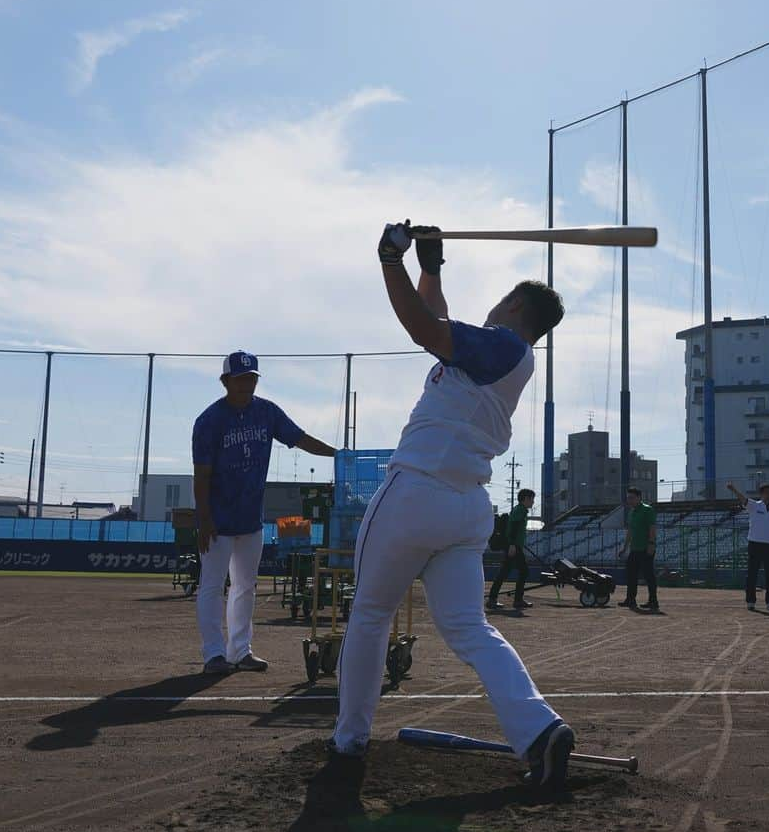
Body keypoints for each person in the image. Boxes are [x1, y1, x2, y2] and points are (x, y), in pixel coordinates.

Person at [329, 222, 574, 788]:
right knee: (470, 628)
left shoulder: (500, 345)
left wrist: (389, 259)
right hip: (465, 509)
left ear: (513, 304)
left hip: (416, 493)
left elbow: (423, 328)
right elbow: (436, 320)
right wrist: (430, 268)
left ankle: (349, 741)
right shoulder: (504, 355)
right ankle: (540, 729)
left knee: (369, 615)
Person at [192, 351, 337, 674]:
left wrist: (337, 456)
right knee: (213, 586)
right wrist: (204, 519)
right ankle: (213, 654)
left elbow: (299, 438)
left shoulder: (266, 412)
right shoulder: (209, 421)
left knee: (245, 585)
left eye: (252, 378)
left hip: (250, 517)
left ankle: (240, 651)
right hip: (217, 519)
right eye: (241, 378)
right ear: (226, 381)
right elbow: (201, 474)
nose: (247, 384)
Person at [727, 481, 769, 612]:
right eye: (767, 492)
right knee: (752, 574)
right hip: (755, 543)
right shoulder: (754, 506)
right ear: (761, 494)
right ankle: (750, 601)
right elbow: (743, 499)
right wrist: (733, 489)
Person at [487, 487, 535, 612]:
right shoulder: (520, 510)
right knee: (523, 571)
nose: (533, 502)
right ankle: (517, 600)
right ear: (525, 499)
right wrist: (513, 544)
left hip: (514, 545)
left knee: (505, 572)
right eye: (531, 499)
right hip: (513, 546)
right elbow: (513, 527)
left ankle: (494, 599)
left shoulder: (520, 510)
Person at [618, 486, 659, 611]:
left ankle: (653, 601)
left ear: (639, 498)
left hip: (646, 548)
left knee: (648, 576)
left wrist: (651, 544)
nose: (629, 501)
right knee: (631, 575)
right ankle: (630, 600)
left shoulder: (648, 510)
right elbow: (630, 531)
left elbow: (652, 528)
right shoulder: (632, 512)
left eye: (632, 498)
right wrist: (624, 548)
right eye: (628, 498)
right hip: (634, 549)